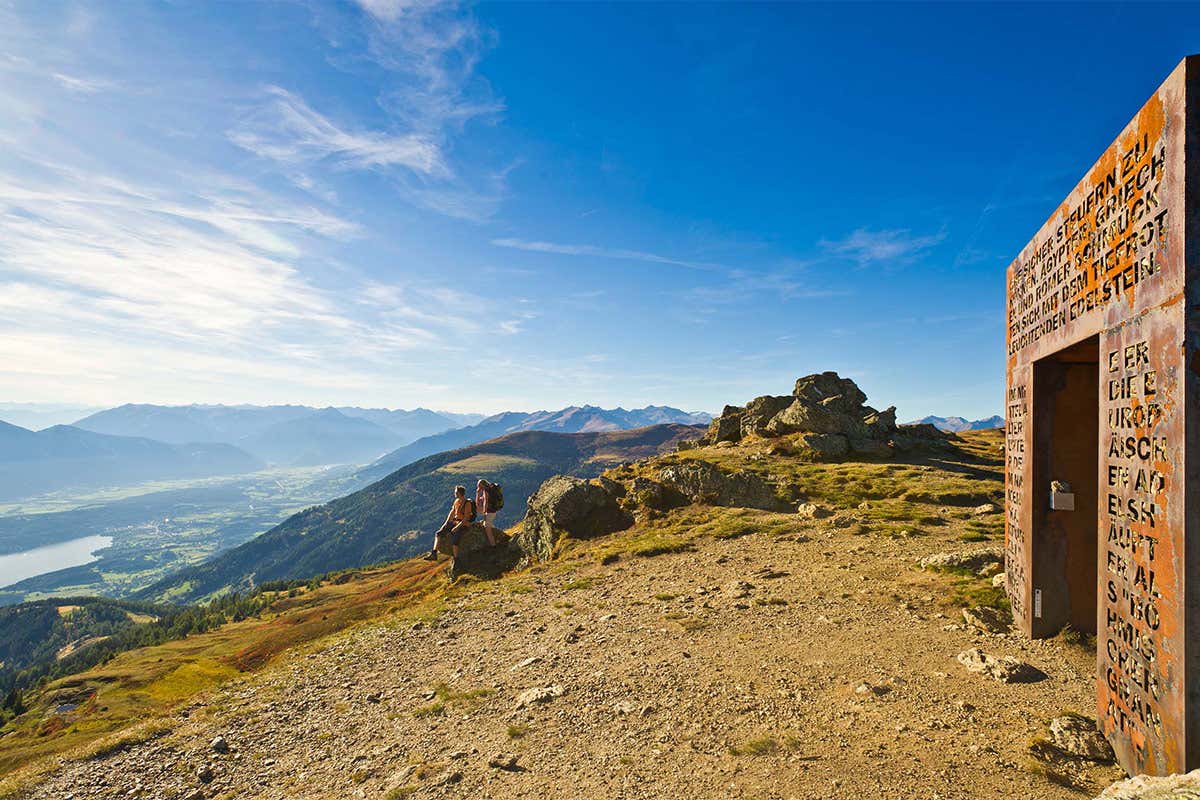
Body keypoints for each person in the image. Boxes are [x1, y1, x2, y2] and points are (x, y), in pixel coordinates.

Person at [425, 485, 474, 561]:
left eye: (456, 492)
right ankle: (434, 553)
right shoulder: (456, 501)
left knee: (455, 540)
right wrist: (446, 523)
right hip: (455, 522)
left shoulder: (467, 503)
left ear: (459, 493)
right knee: (438, 534)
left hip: (463, 524)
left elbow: (466, 518)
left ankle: (456, 560)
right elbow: (452, 512)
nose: (454, 493)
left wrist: (457, 527)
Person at [476, 479, 498, 547]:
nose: (478, 487)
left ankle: (493, 546)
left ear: (482, 485)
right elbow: (483, 499)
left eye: (479, 485)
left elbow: (485, 503)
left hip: (490, 511)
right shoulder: (491, 489)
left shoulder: (486, 491)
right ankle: (493, 543)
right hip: (494, 510)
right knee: (488, 525)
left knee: (487, 529)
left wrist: (485, 513)